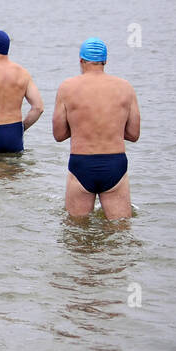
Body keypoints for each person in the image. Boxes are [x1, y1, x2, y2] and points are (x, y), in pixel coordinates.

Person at [53, 38, 141, 219]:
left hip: (81, 164)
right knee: (120, 234)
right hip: (115, 164)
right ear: (105, 61)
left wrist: (80, 127)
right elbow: (133, 134)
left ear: (80, 60)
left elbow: (59, 135)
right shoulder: (125, 88)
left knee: (77, 234)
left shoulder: (67, 88)